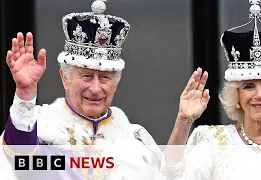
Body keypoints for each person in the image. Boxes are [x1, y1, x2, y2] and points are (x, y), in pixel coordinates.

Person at [0, 0, 163, 179]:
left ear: (115, 85)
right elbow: (20, 156)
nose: (95, 88)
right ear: (65, 78)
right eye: (86, 76)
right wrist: (25, 94)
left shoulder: (135, 141)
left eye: (104, 78)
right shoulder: (43, 130)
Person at [162, 1, 261, 180]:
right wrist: (183, 121)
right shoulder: (214, 142)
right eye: (248, 86)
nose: (259, 95)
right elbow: (173, 176)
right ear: (236, 95)